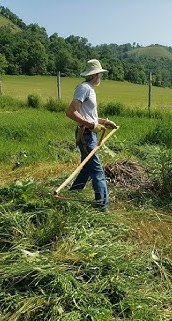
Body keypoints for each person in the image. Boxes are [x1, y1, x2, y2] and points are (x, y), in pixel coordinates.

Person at [65, 59, 118, 212]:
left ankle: (73, 194)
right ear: (95, 75)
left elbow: (88, 115)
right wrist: (92, 125)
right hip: (86, 135)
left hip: (89, 134)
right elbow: (71, 112)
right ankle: (103, 208)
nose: (101, 76)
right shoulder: (84, 88)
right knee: (97, 172)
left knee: (87, 168)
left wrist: (105, 122)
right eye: (100, 74)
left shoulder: (90, 89)